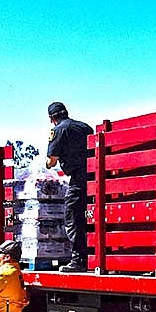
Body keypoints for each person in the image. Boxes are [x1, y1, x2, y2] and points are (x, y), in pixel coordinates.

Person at [46, 101, 94, 272]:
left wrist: (47, 165)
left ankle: (78, 260)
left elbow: (51, 160)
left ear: (52, 119)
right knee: (89, 217)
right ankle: (92, 256)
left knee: (72, 215)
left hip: (78, 179)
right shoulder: (85, 127)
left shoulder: (59, 130)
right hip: (95, 177)